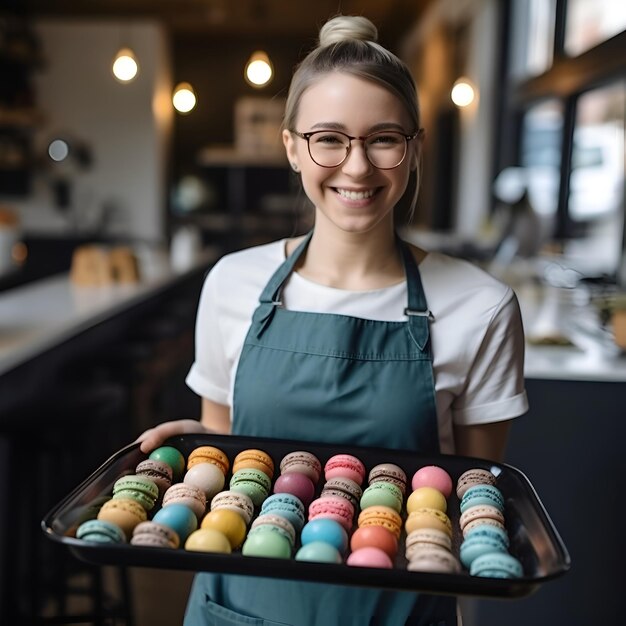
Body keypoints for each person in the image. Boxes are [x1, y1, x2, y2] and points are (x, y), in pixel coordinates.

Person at [139, 14, 528, 625]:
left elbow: (473, 502)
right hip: (240, 607)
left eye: (383, 138)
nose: (356, 167)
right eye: (328, 137)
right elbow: (233, 476)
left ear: (414, 148)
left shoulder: (481, 307)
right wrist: (192, 454)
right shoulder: (231, 285)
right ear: (292, 146)